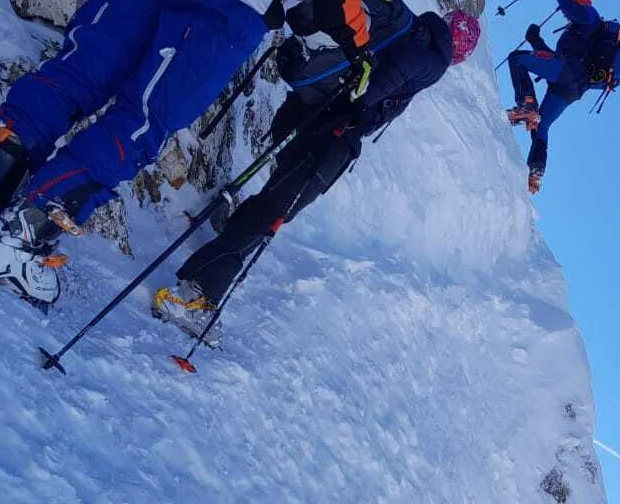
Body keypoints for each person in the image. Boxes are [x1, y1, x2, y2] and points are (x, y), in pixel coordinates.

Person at [0, 0, 377, 310]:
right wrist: (357, 48)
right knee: (143, 120)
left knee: (78, 71)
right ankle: (20, 240)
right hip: (225, 11)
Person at [152, 9, 481, 345]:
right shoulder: (434, 59)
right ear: (460, 50)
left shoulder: (406, 26)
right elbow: (390, 77)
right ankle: (196, 294)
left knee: (270, 202)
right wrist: (355, 110)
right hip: (330, 135)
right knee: (272, 214)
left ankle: (223, 239)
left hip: (305, 108)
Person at [505, 0, 620, 194]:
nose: (566, 16)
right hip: (572, 88)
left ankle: (527, 104)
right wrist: (535, 40)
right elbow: (552, 58)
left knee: (517, 59)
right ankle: (535, 172)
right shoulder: (581, 33)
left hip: (567, 73)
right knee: (541, 125)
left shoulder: (590, 16)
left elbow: (571, 10)